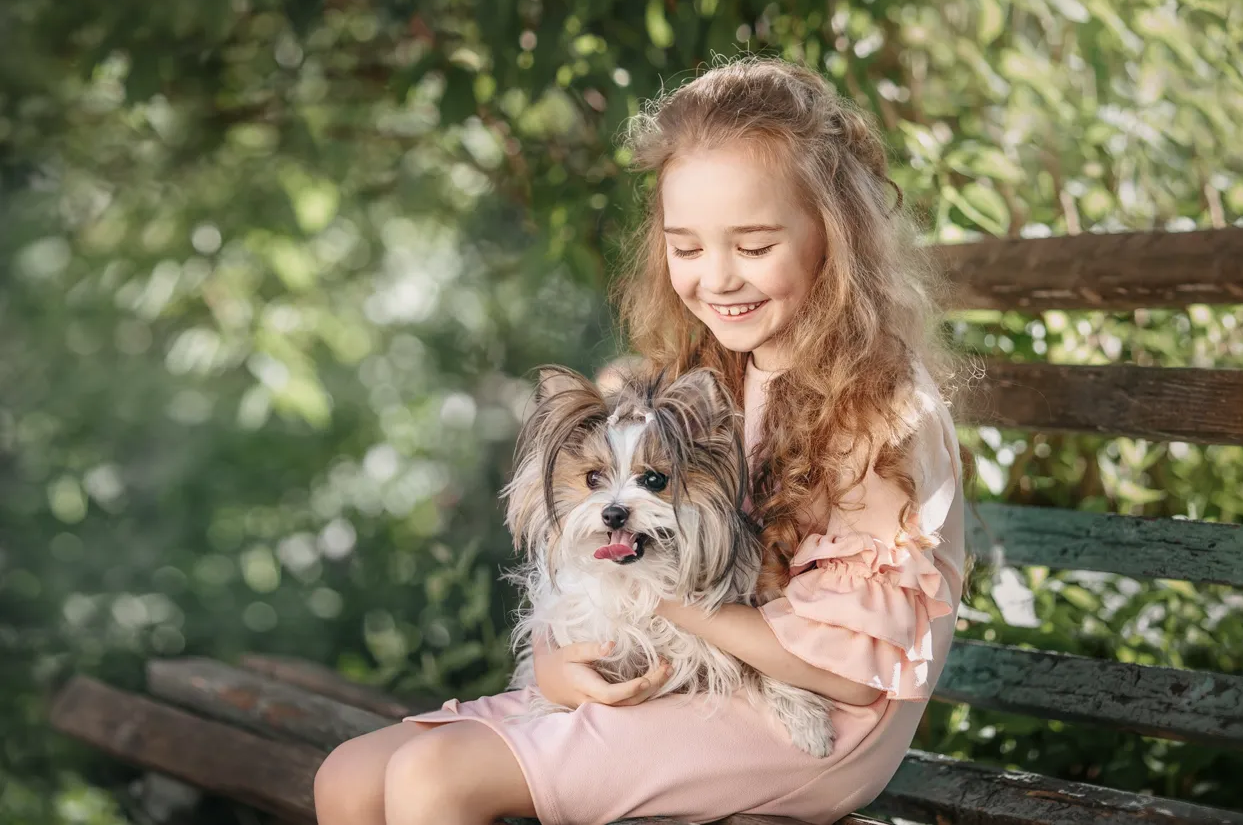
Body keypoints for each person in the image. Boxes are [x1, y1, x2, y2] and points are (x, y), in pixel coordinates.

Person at [313, 55, 971, 825]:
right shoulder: (693, 374)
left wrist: (660, 596)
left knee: (436, 776)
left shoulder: (876, 409)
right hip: (682, 669)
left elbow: (855, 675)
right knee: (349, 778)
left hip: (808, 719)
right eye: (687, 249)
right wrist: (558, 667)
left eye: (753, 246)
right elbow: (588, 561)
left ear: (834, 234)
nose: (717, 279)